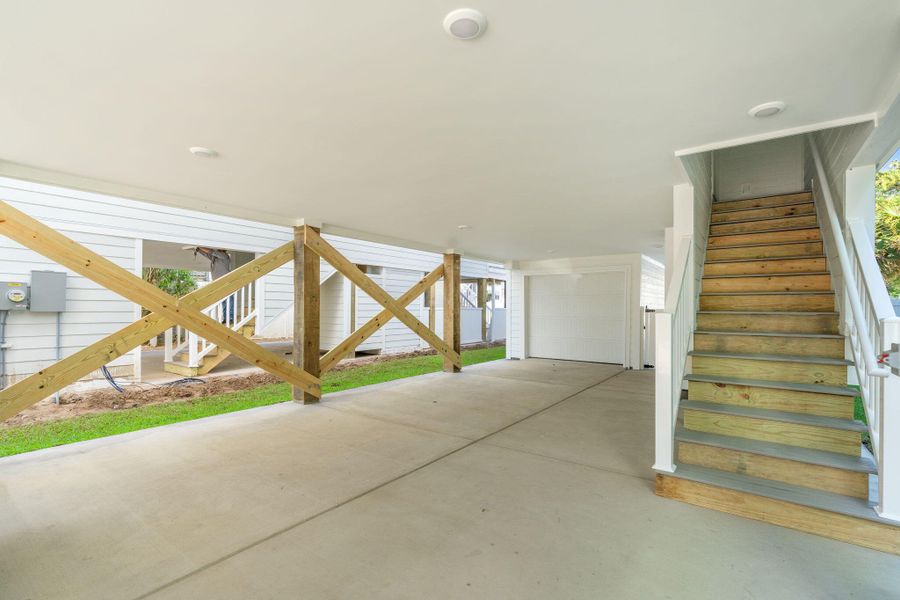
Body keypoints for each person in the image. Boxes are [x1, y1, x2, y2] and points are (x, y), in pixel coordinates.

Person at [194, 247, 233, 322]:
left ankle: (230, 317)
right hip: (218, 283)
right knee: (223, 301)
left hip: (225, 281)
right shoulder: (215, 258)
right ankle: (226, 317)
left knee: (229, 300)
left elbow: (211, 251)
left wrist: (199, 247)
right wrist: (198, 250)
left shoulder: (224, 256)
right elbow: (207, 254)